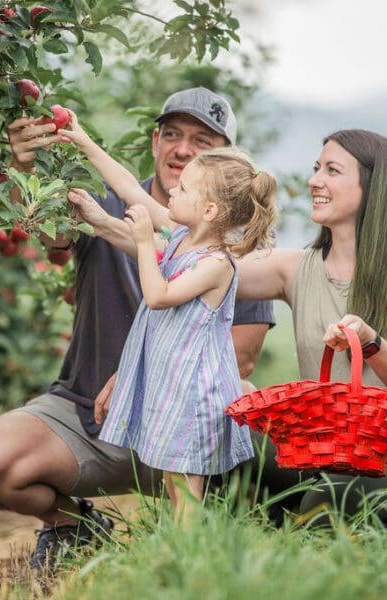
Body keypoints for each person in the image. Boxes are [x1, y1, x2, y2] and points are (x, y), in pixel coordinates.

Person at [0, 88, 276, 571]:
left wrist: (132, 374)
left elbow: (173, 304)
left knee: (236, 415)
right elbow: (75, 220)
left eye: (202, 143)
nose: (183, 151)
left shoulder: (225, 255)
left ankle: (202, 549)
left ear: (219, 183)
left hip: (180, 409)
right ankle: (75, 527)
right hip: (94, 419)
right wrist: (65, 152)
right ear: (154, 141)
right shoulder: (173, 225)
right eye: (172, 135)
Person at [231, 129, 387, 526]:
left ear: (372, 186)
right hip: (323, 456)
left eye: (332, 170)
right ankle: (257, 533)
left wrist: (372, 341)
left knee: (327, 503)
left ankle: (299, 526)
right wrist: (118, 221)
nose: (314, 180)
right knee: (227, 445)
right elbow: (203, 261)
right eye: (316, 168)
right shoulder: (295, 268)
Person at [57, 115, 278, 520]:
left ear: (209, 209)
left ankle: (187, 556)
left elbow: (158, 297)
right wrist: (84, 142)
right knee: (175, 482)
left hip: (193, 395)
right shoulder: (182, 233)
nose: (172, 188)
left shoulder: (216, 263)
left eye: (185, 188)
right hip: (172, 386)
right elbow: (126, 188)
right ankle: (182, 552)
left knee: (184, 488)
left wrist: (143, 241)